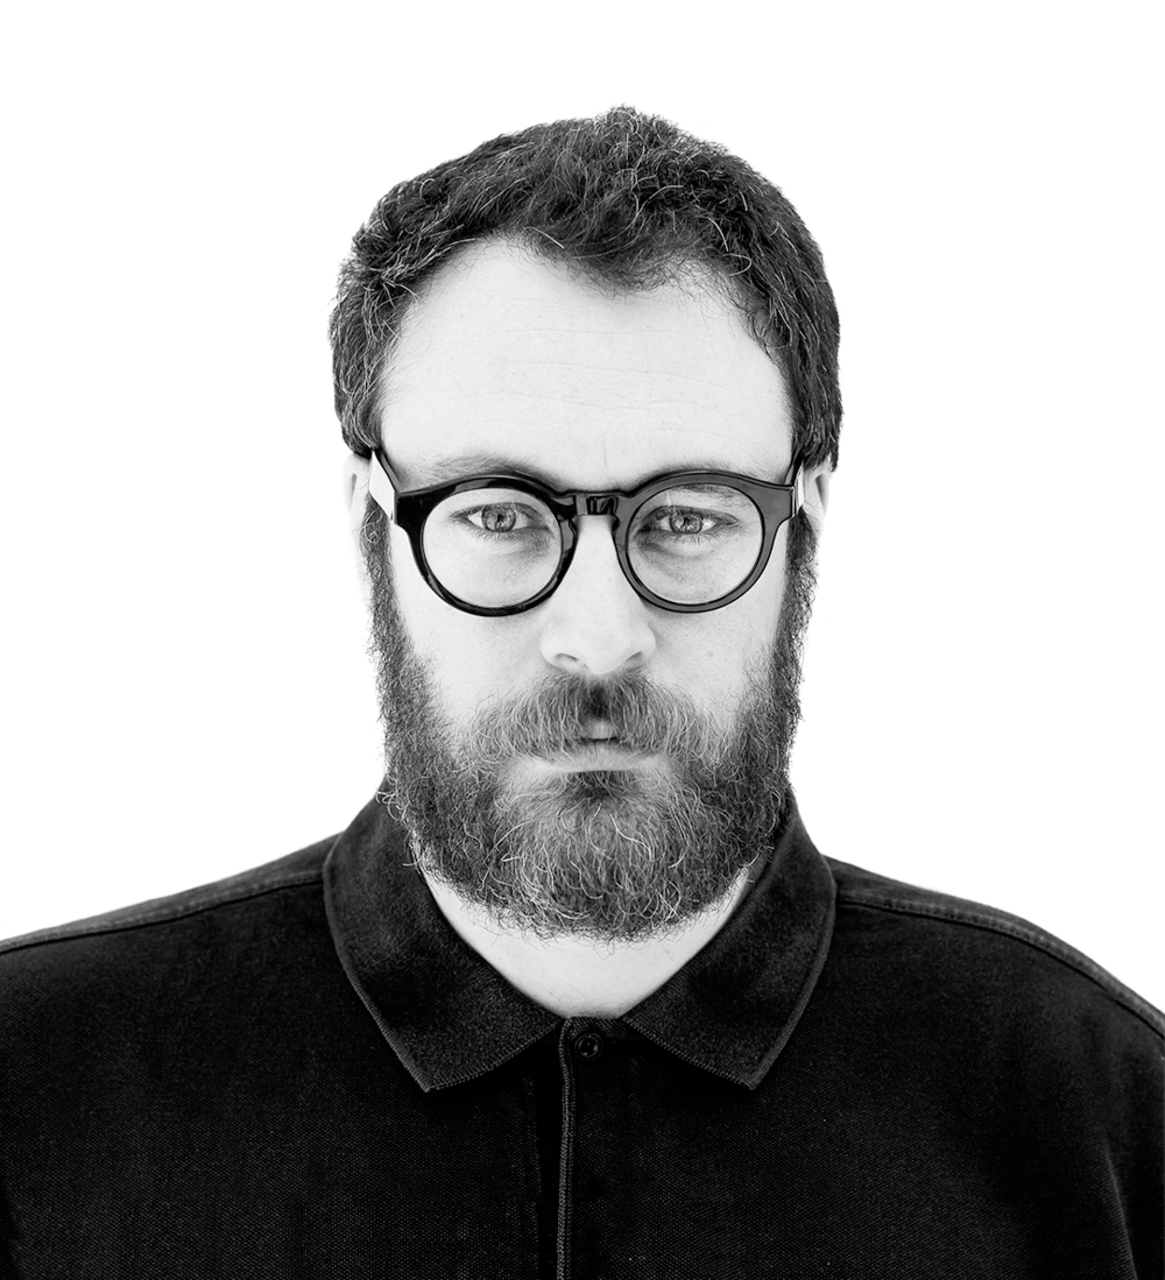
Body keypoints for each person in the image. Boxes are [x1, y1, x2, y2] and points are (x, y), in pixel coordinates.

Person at [0, 107, 1160, 1279]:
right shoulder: (34, 1088)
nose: (599, 638)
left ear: (804, 523)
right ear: (368, 523)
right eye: (500, 514)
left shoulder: (1103, 1113)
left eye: (687, 518)